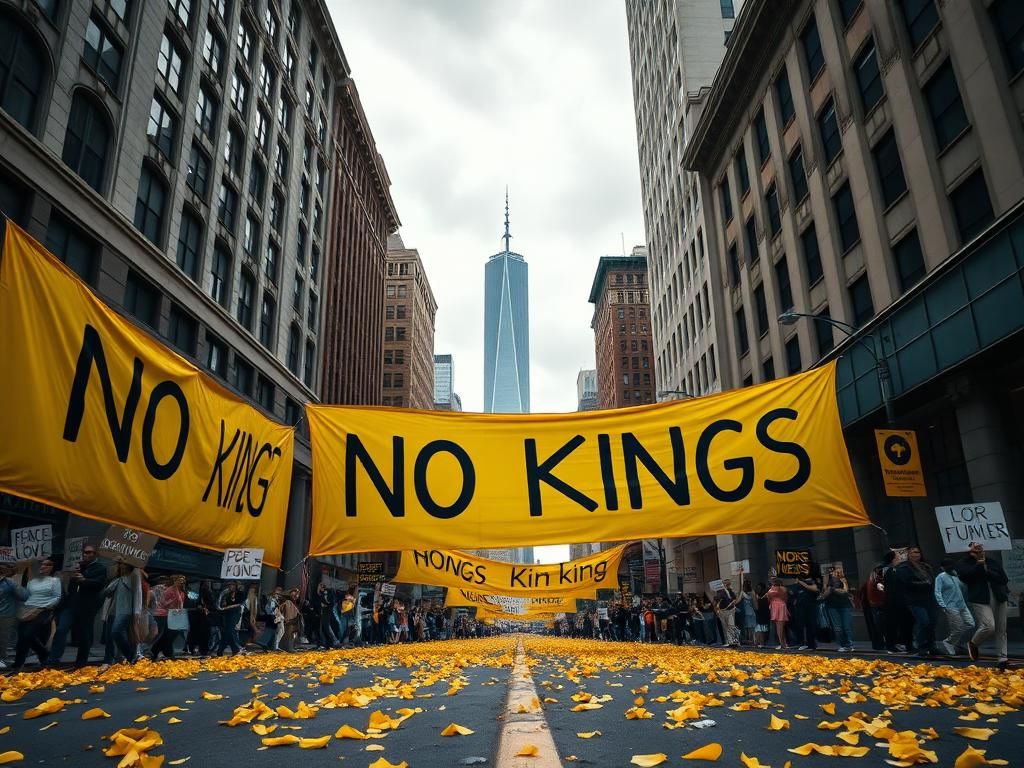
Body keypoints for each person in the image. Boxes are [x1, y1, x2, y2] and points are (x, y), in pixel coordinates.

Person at [47, 543, 106, 668]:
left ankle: (81, 663)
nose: (87, 554)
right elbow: (71, 588)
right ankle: (53, 660)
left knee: (85, 634)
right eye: (85, 552)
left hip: (87, 606)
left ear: (96, 554)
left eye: (90, 552)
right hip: (71, 605)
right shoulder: (78, 567)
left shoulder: (100, 568)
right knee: (62, 629)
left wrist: (84, 580)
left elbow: (99, 584)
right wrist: (70, 578)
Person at [958, 541, 1011, 668]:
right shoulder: (964, 563)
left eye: (980, 548)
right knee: (988, 625)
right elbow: (966, 576)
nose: (979, 550)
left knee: (1001, 629)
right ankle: (973, 642)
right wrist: (979, 564)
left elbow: (1003, 579)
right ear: (970, 551)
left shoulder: (992, 562)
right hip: (979, 598)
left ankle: (1002, 658)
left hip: (998, 596)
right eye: (975, 549)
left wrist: (987, 570)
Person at [12, 559, 62, 670]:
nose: (43, 566)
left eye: (47, 564)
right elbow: (26, 596)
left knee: (27, 634)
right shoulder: (32, 582)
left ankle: (43, 653)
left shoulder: (54, 581)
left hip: (43, 610)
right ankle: (18, 663)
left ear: (52, 568)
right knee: (22, 636)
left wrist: (45, 606)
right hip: (29, 610)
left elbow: (57, 597)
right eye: (42, 564)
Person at [897, 547, 939, 658]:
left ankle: (932, 646)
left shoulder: (926, 566)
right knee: (923, 622)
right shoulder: (904, 567)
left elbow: (932, 581)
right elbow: (906, 582)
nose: (916, 554)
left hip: (929, 599)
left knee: (932, 622)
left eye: (918, 552)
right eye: (913, 552)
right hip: (915, 600)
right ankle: (922, 647)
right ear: (908, 554)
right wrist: (924, 583)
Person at [100, 562, 142, 669]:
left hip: (125, 610)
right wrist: (114, 580)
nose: (122, 566)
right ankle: (107, 661)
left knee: (116, 632)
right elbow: (105, 593)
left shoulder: (134, 575)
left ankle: (131, 655)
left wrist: (137, 611)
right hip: (112, 610)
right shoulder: (116, 579)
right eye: (120, 564)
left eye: (124, 564)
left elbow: (138, 592)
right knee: (109, 636)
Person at [934, 557, 974, 656]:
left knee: (970, 624)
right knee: (958, 627)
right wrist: (942, 605)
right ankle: (949, 642)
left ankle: (956, 642)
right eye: (947, 565)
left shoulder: (956, 575)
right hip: (950, 606)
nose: (950, 567)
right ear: (942, 568)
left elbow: (963, 588)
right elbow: (937, 591)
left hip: (962, 604)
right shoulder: (940, 577)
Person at [151, 575, 187, 660]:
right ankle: (163, 651)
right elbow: (162, 603)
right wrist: (171, 602)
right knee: (169, 633)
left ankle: (162, 651)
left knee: (172, 633)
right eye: (179, 580)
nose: (181, 582)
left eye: (183, 581)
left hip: (176, 615)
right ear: (175, 581)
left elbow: (181, 604)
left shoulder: (181, 592)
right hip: (167, 614)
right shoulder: (170, 590)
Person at [822, 567, 855, 652]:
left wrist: (835, 588)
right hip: (832, 606)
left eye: (838, 571)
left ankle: (849, 645)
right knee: (838, 627)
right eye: (834, 572)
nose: (836, 573)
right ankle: (843, 645)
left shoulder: (844, 580)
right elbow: (824, 594)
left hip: (845, 605)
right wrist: (826, 585)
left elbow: (845, 591)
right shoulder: (828, 582)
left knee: (847, 626)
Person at [861, 562, 888, 651]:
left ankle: (879, 644)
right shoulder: (874, 579)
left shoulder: (872, 579)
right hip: (876, 606)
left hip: (873, 606)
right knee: (879, 626)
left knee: (878, 626)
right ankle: (880, 644)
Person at [790, 574, 820, 651]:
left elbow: (815, 589)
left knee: (811, 626)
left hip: (811, 608)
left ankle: (811, 644)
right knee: (800, 626)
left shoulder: (812, 584)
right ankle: (802, 643)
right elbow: (793, 595)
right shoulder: (796, 586)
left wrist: (801, 582)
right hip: (800, 608)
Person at [0, 564, 21, 668]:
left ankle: (2, 658)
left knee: (4, 637)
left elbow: (23, 595)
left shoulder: (11, 581)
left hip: (7, 614)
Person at [216, 582, 245, 656]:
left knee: (229, 630)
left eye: (231, 585)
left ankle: (223, 649)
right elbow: (222, 605)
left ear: (235, 586)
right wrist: (223, 598)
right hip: (227, 614)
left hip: (235, 613)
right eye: (229, 585)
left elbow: (239, 604)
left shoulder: (240, 593)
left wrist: (227, 607)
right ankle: (233, 649)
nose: (230, 586)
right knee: (228, 631)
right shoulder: (227, 594)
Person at [766, 578, 789, 650]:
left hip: (775, 606)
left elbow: (768, 598)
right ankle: (784, 643)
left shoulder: (771, 589)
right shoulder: (784, 589)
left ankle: (782, 644)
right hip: (782, 605)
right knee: (782, 626)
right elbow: (786, 598)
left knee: (778, 627)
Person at [753, 583, 771, 648]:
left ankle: (760, 642)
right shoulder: (760, 595)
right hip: (761, 612)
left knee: (760, 628)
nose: (758, 589)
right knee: (760, 628)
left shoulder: (763, 595)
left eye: (759, 588)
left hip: (763, 612)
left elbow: (756, 606)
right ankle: (759, 642)